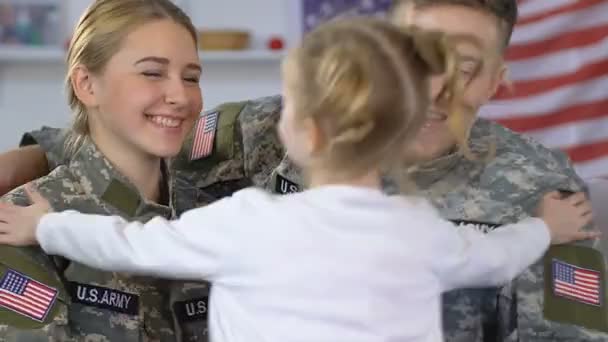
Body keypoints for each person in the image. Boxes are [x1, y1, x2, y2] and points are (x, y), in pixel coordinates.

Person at [0, 0, 603, 341]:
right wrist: (26, 162)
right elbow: (129, 142)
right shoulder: (276, 124)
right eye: (416, 57)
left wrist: (47, 225)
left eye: (463, 67)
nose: (431, 84)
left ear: (499, 81)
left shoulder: (539, 187)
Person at [0, 0, 211, 340]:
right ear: (87, 85)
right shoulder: (17, 222)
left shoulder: (212, 214)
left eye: (191, 77)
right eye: (152, 73)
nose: (180, 96)